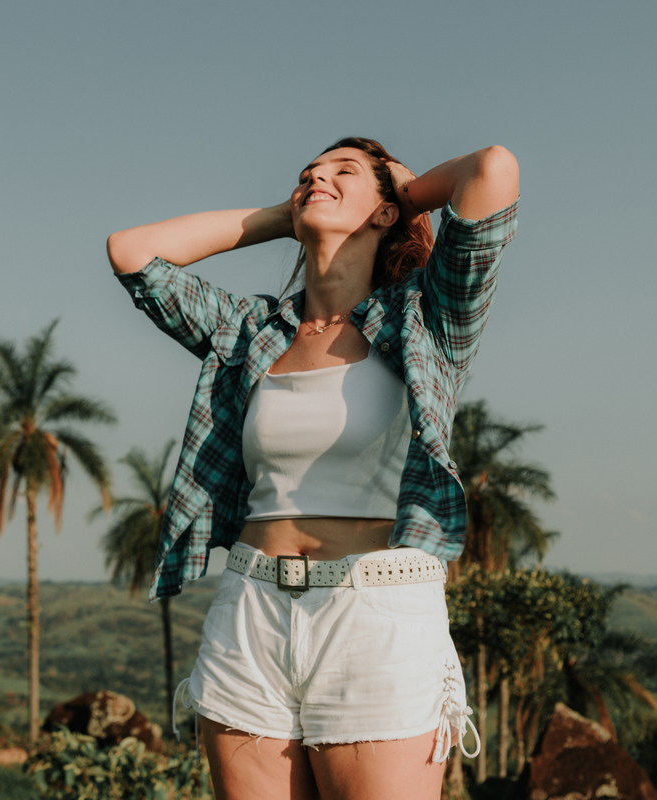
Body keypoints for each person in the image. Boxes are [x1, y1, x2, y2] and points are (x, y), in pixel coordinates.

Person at [107, 138, 520, 800]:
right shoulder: (250, 331)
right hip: (251, 612)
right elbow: (132, 252)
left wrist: (398, 199)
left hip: (376, 617)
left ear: (386, 212)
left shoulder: (427, 318)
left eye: (340, 172)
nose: (315, 179)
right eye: (307, 174)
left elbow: (492, 169)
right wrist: (286, 213)